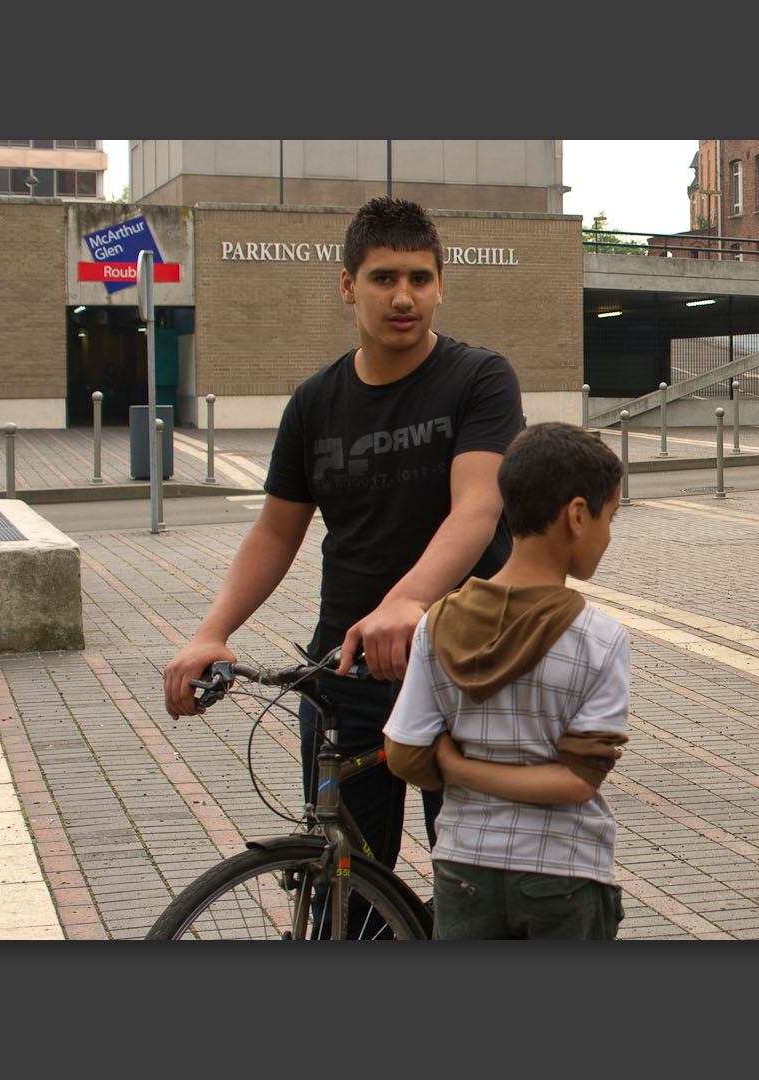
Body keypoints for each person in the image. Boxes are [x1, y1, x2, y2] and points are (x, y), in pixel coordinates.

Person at [162, 196, 524, 897]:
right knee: (344, 890)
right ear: (347, 285)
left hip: (467, 664)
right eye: (384, 277)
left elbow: (478, 506)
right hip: (349, 672)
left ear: (441, 285)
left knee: (478, 889)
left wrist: (409, 602)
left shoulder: (478, 379)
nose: (403, 296)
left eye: (420, 278)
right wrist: (211, 632)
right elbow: (274, 531)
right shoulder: (314, 402)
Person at [383, 422, 631, 939]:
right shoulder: (598, 638)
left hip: (463, 863)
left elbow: (405, 753)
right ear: (578, 516)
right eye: (610, 517)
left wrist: (454, 766)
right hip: (564, 871)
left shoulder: (437, 622)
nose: (609, 535)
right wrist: (467, 772)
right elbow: (575, 781)